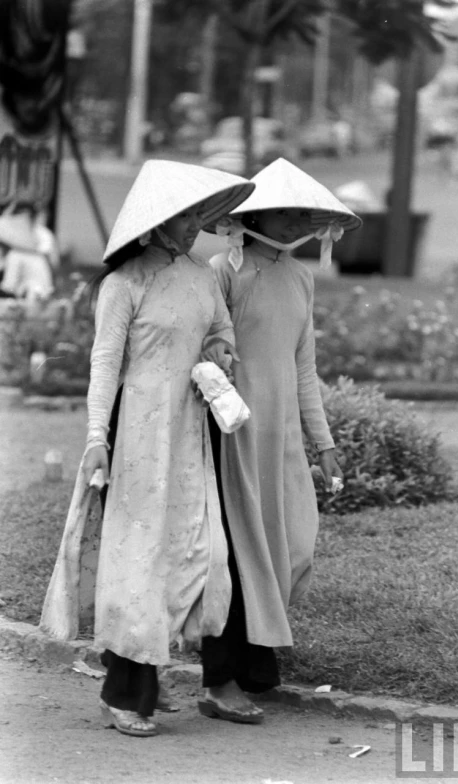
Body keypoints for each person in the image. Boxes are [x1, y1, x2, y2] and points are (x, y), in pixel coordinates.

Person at [39, 160, 255, 737]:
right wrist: (95, 440)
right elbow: (104, 366)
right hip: (136, 433)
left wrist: (220, 354)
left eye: (199, 218)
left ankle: (148, 679)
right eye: (186, 218)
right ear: (158, 222)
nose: (195, 228)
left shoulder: (201, 279)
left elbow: (221, 332)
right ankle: (122, 692)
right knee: (136, 559)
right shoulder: (123, 284)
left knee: (195, 552)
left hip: (189, 432)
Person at [198, 158, 362, 723]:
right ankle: (223, 679)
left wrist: (324, 443)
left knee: (290, 545)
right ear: (258, 213)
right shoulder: (224, 270)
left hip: (283, 437)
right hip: (235, 434)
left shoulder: (301, 277)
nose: (296, 222)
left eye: (303, 214)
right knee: (242, 550)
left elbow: (304, 368)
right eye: (286, 212)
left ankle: (256, 663)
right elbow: (208, 354)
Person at [0, 209, 54, 304]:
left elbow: (8, 286)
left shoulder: (15, 255)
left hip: (31, 296)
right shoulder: (34, 255)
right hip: (41, 292)